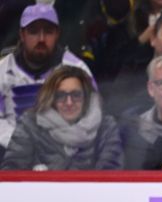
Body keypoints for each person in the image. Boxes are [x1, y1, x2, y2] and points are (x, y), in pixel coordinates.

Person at [0, 3, 94, 160]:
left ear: (57, 34)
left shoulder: (77, 69)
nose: (41, 39)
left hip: (64, 156)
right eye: (34, 32)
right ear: (22, 35)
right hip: (9, 155)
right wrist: (19, 142)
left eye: (48, 32)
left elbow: (91, 118)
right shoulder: (3, 69)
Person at [2, 65, 122, 170]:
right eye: (61, 95)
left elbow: (110, 174)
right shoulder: (30, 124)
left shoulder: (105, 126)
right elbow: (12, 170)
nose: (69, 102)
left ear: (86, 97)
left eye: (76, 95)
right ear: (51, 98)